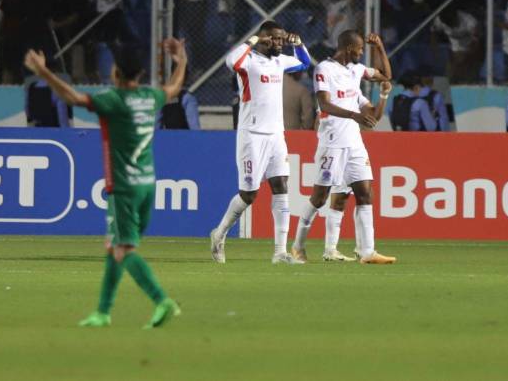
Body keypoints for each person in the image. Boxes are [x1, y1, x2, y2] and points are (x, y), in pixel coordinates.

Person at [23, 38, 188, 328]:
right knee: (114, 246)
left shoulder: (112, 100)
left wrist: (44, 72)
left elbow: (73, 98)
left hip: (123, 187)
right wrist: (181, 61)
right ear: (139, 74)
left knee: (124, 250)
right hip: (148, 184)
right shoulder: (151, 97)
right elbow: (174, 88)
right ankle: (102, 312)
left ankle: (163, 301)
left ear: (116, 73)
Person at [209, 21, 311, 264]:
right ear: (264, 38)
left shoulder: (280, 61)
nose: (279, 43)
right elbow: (231, 61)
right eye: (275, 39)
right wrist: (253, 40)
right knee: (249, 194)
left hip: (276, 135)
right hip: (251, 135)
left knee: (281, 185)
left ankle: (280, 252)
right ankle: (219, 233)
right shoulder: (248, 61)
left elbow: (305, 62)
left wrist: (299, 44)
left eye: (281, 39)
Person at [290, 30, 396, 264]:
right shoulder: (324, 70)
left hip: (354, 143)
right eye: (360, 49)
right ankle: (297, 246)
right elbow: (324, 104)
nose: (361, 53)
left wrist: (379, 46)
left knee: (365, 193)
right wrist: (353, 115)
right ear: (349, 48)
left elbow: (386, 75)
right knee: (320, 198)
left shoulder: (356, 70)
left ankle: (367, 251)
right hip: (332, 143)